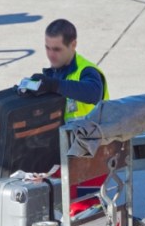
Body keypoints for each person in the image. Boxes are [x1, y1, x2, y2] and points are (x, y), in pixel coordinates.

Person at [30, 19, 110, 196]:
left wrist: (54, 85)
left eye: (57, 49)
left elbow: (92, 93)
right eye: (47, 48)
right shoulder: (55, 73)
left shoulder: (87, 71)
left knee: (84, 209)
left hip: (92, 156)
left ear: (73, 44)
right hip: (68, 154)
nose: (51, 55)